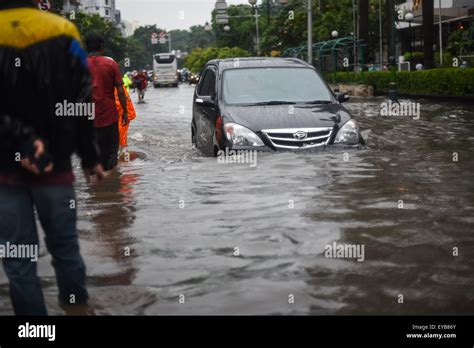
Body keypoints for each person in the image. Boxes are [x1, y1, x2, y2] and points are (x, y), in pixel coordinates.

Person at [0, 0, 105, 315]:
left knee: (18, 260)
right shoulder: (62, 29)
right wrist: (89, 156)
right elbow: (82, 97)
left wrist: (20, 142)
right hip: (55, 165)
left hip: (4, 168)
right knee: (66, 250)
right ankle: (76, 310)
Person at [86, 34, 128, 171]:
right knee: (110, 156)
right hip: (109, 117)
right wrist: (125, 113)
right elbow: (121, 92)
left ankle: (95, 189)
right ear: (102, 47)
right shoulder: (111, 64)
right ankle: (110, 187)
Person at [115, 86, 137, 156]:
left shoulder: (118, 88)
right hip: (122, 115)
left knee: (120, 138)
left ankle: (122, 155)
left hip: (122, 116)